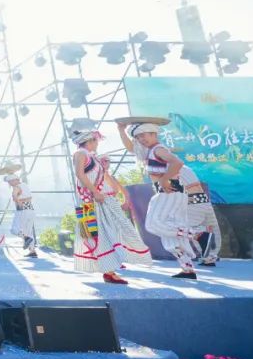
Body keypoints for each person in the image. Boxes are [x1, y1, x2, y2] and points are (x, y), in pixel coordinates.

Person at [117, 118, 199, 279]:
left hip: (169, 192)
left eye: (144, 135)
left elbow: (177, 162)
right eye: (138, 137)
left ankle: (196, 234)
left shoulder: (158, 149)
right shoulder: (150, 151)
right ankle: (187, 269)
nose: (142, 139)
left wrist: (164, 179)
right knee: (170, 238)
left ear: (154, 133)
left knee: (153, 224)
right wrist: (121, 130)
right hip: (170, 193)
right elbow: (131, 148)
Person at [70, 126, 130, 284]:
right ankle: (108, 271)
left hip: (94, 200)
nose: (97, 143)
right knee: (94, 233)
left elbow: (100, 176)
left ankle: (109, 269)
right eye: (96, 141)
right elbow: (79, 174)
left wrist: (109, 190)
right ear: (89, 141)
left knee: (103, 232)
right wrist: (95, 192)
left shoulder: (91, 156)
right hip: (88, 201)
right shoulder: (80, 153)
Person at [5, 173, 39, 258]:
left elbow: (14, 196)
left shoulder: (16, 187)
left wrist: (17, 201)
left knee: (14, 230)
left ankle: (26, 238)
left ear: (15, 180)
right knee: (28, 231)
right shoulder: (25, 185)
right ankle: (32, 251)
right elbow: (30, 198)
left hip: (22, 210)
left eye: (10, 181)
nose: (10, 183)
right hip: (30, 210)